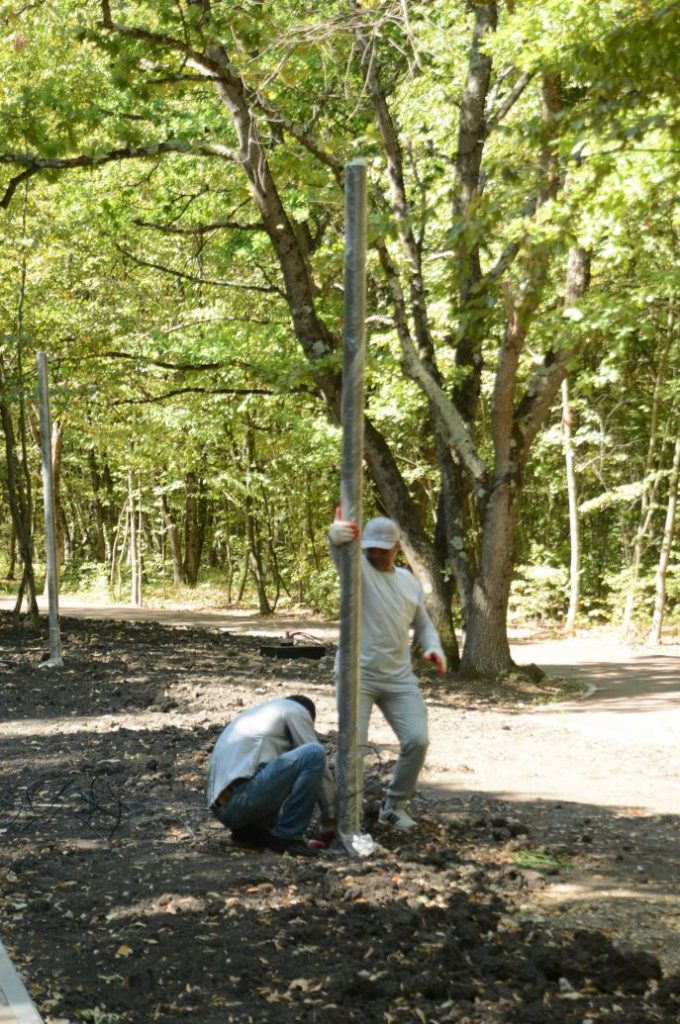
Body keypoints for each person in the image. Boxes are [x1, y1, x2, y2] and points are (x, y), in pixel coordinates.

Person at [329, 512, 446, 830]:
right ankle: (346, 814)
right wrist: (335, 536)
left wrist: (433, 647)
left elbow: (423, 622)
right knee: (354, 747)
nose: (375, 554)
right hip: (357, 676)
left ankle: (394, 806)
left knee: (417, 740)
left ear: (396, 547)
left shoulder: (407, 580)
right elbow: (339, 552)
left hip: (398, 677)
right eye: (370, 548)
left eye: (382, 549)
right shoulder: (357, 569)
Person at [206, 695, 335, 856]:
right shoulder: (296, 710)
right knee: (314, 753)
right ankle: (288, 837)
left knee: (285, 766)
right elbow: (315, 760)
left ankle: (251, 834)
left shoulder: (260, 715)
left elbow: (277, 777)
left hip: (222, 806)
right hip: (239, 800)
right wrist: (331, 817)